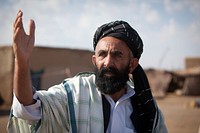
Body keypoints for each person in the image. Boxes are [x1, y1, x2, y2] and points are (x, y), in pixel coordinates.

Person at [7, 10, 168, 133]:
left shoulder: (146, 107)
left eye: (117, 55)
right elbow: (29, 109)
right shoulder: (75, 93)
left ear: (132, 64)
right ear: (94, 60)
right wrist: (22, 61)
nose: (108, 62)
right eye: (102, 54)